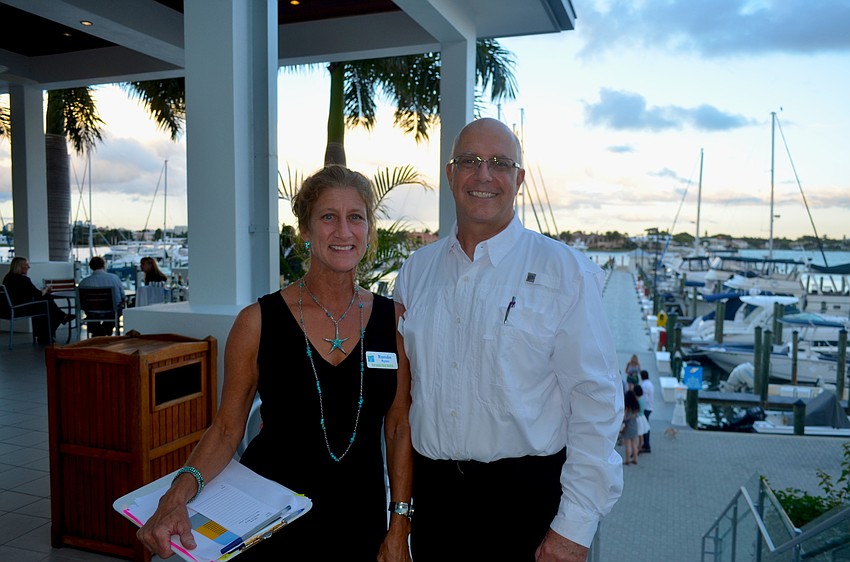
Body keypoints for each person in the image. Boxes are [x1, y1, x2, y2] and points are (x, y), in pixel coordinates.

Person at [136, 165, 413, 561]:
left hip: (359, 519)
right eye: (328, 217)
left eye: (356, 217)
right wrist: (175, 496)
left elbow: (399, 427)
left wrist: (399, 522)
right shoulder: (257, 321)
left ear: (369, 230)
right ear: (304, 228)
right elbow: (228, 427)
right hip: (268, 517)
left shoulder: (395, 321)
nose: (343, 231)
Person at [393, 118, 623, 562]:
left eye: (500, 163)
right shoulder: (416, 272)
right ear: (450, 174)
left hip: (529, 508)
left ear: (519, 178)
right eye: (469, 161)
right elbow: (404, 400)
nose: (483, 175)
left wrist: (573, 528)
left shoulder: (565, 271)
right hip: (436, 504)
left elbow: (597, 402)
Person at [2, 256, 71, 344]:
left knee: (46, 302)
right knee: (46, 303)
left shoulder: (8, 278)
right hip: (20, 309)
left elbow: (28, 294)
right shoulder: (24, 279)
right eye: (26, 265)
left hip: (8, 309)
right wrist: (46, 289)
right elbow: (38, 294)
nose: (29, 267)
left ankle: (47, 333)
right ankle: (57, 323)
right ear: (20, 266)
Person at [78, 256, 126, 336]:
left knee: (91, 315)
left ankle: (98, 333)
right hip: (111, 312)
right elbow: (122, 297)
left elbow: (81, 301)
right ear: (104, 265)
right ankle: (105, 332)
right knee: (116, 311)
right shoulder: (114, 278)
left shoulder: (84, 282)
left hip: (92, 313)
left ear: (90, 267)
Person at [621, 390, 641, 466]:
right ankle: (635, 459)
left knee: (627, 444)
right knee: (634, 444)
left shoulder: (627, 407)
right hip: (634, 426)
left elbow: (625, 418)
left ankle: (627, 460)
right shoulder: (636, 406)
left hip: (627, 427)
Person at [639, 370, 654, 453]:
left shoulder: (644, 385)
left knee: (644, 427)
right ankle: (646, 444)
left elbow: (644, 398)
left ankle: (646, 445)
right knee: (646, 426)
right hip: (650, 407)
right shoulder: (650, 384)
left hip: (645, 408)